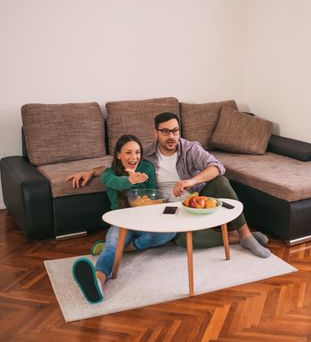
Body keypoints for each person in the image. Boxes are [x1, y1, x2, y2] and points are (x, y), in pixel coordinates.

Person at [67, 112, 270, 258]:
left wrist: (190, 181)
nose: (171, 136)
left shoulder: (190, 149)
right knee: (182, 240)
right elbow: (119, 163)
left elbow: (217, 167)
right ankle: (235, 237)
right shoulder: (145, 153)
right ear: (155, 133)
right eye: (165, 132)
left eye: (175, 131)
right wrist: (90, 171)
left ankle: (246, 234)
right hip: (166, 207)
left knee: (221, 181)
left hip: (193, 198)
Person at [73, 134, 178, 303]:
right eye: (128, 153)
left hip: (145, 220)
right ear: (118, 155)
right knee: (114, 244)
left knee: (170, 232)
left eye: (137, 152)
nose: (134, 157)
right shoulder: (108, 174)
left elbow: (151, 194)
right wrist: (131, 179)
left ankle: (126, 247)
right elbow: (118, 183)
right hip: (122, 221)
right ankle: (98, 281)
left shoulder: (146, 167)